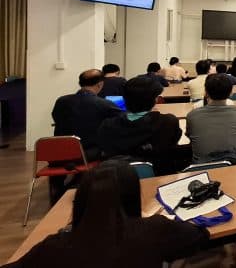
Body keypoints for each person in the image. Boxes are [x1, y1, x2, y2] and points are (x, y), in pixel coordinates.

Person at [7, 162, 208, 267]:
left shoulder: (53, 248)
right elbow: (200, 236)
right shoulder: (154, 230)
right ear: (133, 195)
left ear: (82, 199)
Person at [98, 77, 182, 175]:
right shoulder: (168, 122)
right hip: (161, 178)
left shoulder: (107, 126)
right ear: (155, 100)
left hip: (118, 178)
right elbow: (173, 144)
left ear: (124, 98)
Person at [53, 69, 123, 165]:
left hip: (58, 155)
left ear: (80, 83)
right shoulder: (104, 104)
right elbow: (123, 120)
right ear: (100, 84)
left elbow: (56, 117)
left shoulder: (61, 101)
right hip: (85, 155)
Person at [185, 74, 236, 164]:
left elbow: (190, 135)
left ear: (206, 92)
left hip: (201, 166)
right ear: (231, 93)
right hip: (232, 164)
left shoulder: (192, 115)